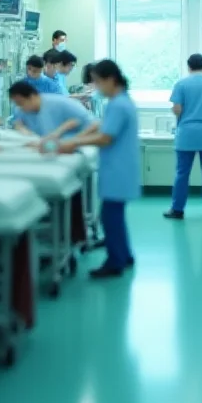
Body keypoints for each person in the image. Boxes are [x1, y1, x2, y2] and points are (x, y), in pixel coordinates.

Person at [58, 60, 140, 279]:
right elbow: (103, 128)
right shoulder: (122, 101)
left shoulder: (117, 105)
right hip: (122, 167)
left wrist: (73, 143)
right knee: (115, 215)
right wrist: (78, 137)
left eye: (97, 82)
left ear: (110, 80)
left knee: (109, 216)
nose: (95, 87)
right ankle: (125, 255)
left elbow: (105, 137)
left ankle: (115, 262)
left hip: (118, 169)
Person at [164, 54, 202, 220]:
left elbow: (177, 109)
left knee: (182, 172)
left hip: (187, 134)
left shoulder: (181, 84)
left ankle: (177, 209)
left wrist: (183, 114)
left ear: (188, 66)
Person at [9, 81, 96, 142]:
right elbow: (18, 123)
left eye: (21, 103)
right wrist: (22, 130)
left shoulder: (59, 103)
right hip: (50, 147)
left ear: (32, 97)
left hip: (80, 144)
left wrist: (60, 133)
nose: (20, 107)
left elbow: (87, 122)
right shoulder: (22, 110)